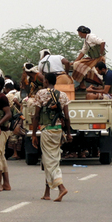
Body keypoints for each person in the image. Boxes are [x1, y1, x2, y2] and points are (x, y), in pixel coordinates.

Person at [30, 73, 72, 202]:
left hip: (46, 130)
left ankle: (61, 187)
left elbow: (36, 116)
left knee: (49, 161)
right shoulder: (63, 95)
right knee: (51, 160)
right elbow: (67, 117)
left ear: (46, 81)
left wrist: (33, 134)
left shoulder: (41, 93)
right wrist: (68, 133)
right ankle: (47, 192)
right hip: (58, 131)